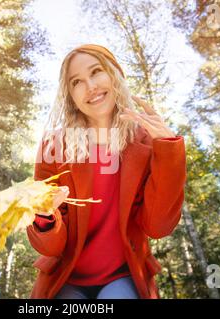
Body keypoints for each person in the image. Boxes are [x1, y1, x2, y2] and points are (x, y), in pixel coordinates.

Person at [26, 44, 186, 299]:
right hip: (66, 278)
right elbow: (50, 246)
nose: (90, 86)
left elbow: (158, 226)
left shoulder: (144, 141)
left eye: (96, 71)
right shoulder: (54, 146)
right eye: (76, 81)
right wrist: (45, 216)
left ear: (114, 75)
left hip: (123, 275)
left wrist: (167, 152)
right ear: (70, 95)